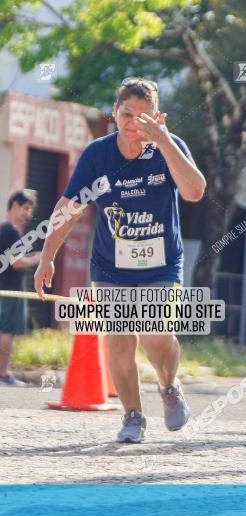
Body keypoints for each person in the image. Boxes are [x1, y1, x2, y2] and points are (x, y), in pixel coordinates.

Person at [34, 77, 206, 443]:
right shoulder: (98, 155)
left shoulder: (168, 147)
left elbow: (194, 191)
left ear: (158, 117)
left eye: (144, 117)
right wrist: (47, 257)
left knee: (156, 335)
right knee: (118, 341)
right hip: (111, 266)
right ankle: (132, 415)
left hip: (161, 264)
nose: (133, 124)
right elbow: (69, 208)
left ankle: (169, 385)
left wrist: (163, 141)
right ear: (115, 113)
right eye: (127, 115)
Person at [0, 190, 41, 386]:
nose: (28, 213)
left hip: (5, 289)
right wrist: (39, 258)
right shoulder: (10, 231)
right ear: (15, 204)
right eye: (26, 208)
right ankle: (3, 374)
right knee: (7, 330)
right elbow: (16, 262)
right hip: (10, 290)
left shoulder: (5, 230)